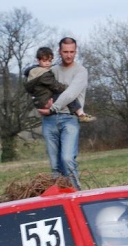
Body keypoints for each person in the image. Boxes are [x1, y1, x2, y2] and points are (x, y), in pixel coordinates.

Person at [37, 37, 89, 190]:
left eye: (72, 52)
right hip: (49, 121)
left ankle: (76, 195)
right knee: (55, 166)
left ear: (76, 51)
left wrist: (52, 108)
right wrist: (39, 103)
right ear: (59, 52)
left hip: (69, 119)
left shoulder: (81, 71)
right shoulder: (52, 71)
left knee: (67, 159)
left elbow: (70, 95)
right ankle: (60, 199)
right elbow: (39, 89)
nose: (69, 55)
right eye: (65, 52)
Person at [24, 47, 96, 123]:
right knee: (65, 96)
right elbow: (55, 86)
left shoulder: (33, 73)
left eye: (49, 61)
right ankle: (80, 113)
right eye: (45, 61)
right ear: (38, 60)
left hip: (39, 101)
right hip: (46, 99)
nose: (47, 63)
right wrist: (66, 88)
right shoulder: (43, 74)